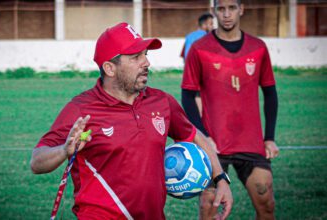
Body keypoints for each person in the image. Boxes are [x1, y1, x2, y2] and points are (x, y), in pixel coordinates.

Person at [31, 22, 232, 219]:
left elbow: (195, 136)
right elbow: (37, 161)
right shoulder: (81, 109)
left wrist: (221, 178)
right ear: (110, 68)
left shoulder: (161, 102)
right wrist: (63, 150)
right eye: (136, 57)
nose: (146, 63)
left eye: (146, 55)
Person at [181, 0, 279, 219]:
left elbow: (270, 93)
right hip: (214, 145)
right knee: (209, 208)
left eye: (232, 8)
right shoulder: (199, 48)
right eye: (221, 9)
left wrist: (269, 137)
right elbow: (187, 96)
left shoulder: (258, 47)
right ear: (214, 11)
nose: (226, 14)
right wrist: (204, 137)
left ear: (241, 9)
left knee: (266, 203)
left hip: (251, 142)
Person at [180, 13, 214, 117]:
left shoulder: (189, 36)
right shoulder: (208, 36)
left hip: (189, 73)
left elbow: (184, 55)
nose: (213, 26)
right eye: (211, 24)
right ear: (205, 24)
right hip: (203, 72)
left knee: (194, 97)